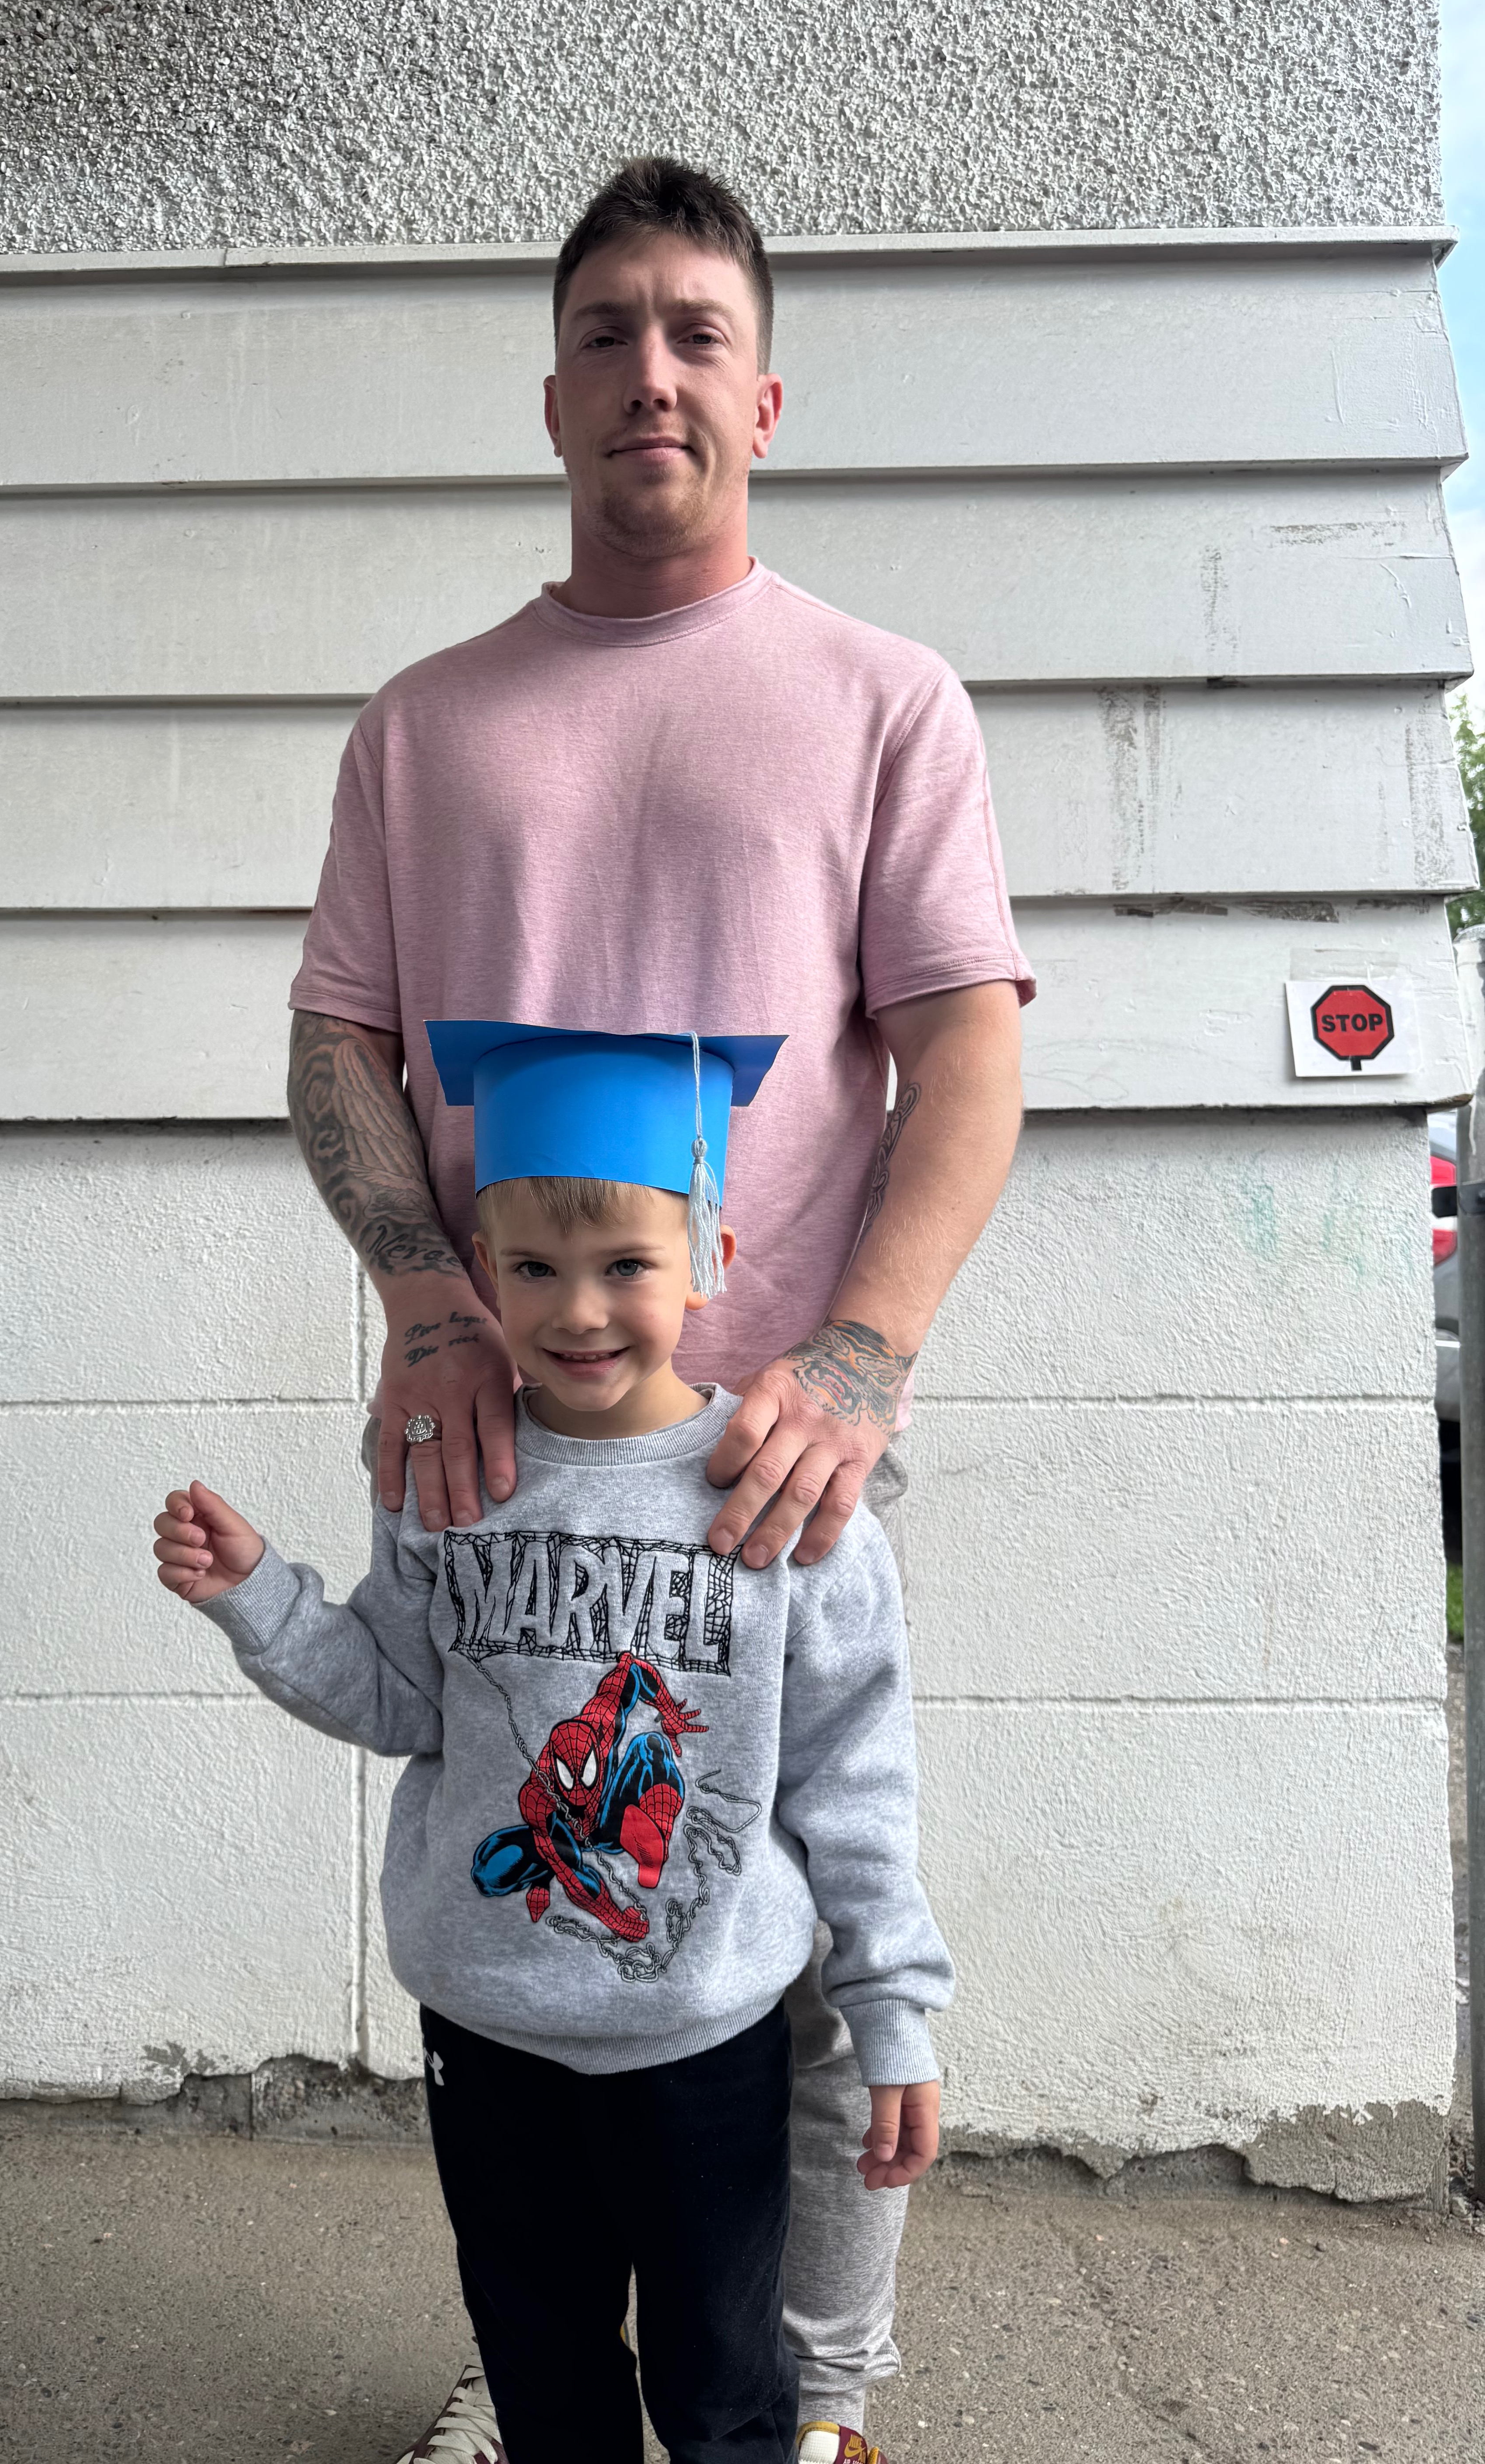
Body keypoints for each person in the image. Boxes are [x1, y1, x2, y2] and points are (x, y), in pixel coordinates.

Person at [284, 159, 1030, 2457]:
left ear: (764, 397)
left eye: (698, 332)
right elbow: (336, 1042)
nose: (650, 373)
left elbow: (966, 1053)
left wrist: (856, 1358)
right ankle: (554, 2385)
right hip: (498, 1425)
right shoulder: (428, 726)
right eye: (605, 331)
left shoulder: (880, 702)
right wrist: (425, 1298)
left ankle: (815, 2410)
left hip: (771, 1448)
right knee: (548, 1944)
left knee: (798, 1953)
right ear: (550, 394)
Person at [153, 1023, 953, 2464]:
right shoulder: (453, 1471)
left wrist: (893, 2011)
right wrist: (259, 1600)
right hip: (490, 2029)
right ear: (479, 1268)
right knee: (542, 2363)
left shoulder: (786, 1499)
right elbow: (400, 1700)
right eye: (531, 1270)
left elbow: (854, 1778)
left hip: (705, 2034)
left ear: (708, 1256)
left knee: (723, 2385)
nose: (578, 1311)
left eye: (625, 1266)